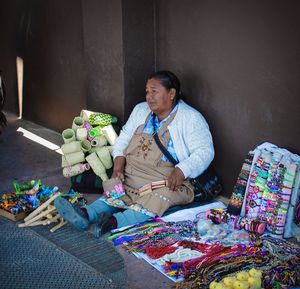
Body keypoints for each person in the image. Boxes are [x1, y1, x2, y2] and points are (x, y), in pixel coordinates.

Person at [55, 70, 214, 237]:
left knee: (157, 198)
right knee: (116, 189)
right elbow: (122, 139)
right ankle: (87, 214)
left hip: (165, 181)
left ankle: (113, 223)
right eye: (147, 91)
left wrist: (181, 171)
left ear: (171, 93)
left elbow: (205, 151)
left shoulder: (190, 118)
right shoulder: (141, 110)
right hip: (132, 174)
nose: (149, 97)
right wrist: (118, 166)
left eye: (154, 91)